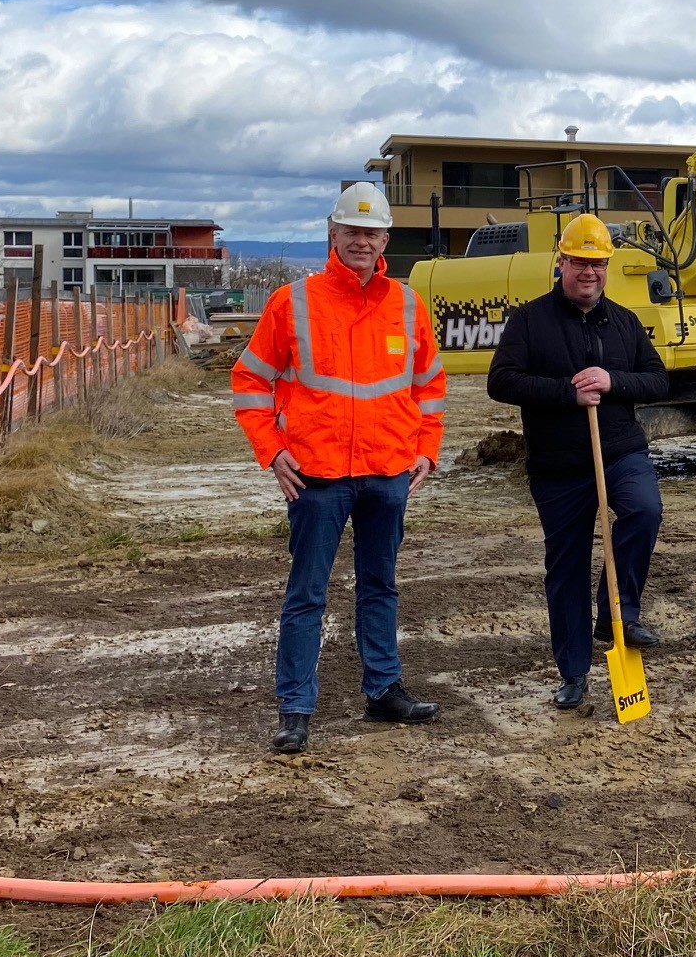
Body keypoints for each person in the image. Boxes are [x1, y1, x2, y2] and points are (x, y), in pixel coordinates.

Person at [232, 181, 447, 754]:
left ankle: (383, 692)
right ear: (332, 234)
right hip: (317, 475)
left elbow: (429, 384)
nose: (361, 241)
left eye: (371, 232)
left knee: (381, 587)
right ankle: (295, 709)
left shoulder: (406, 303)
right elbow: (250, 379)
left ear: (384, 239)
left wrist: (427, 448)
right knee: (307, 594)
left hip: (387, 473)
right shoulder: (293, 301)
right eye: (351, 231)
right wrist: (272, 451)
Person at [487, 214, 669, 710]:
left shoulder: (625, 321)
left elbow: (657, 380)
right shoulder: (530, 321)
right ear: (561, 263)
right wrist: (567, 392)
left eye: (598, 264)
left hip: (619, 452)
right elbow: (501, 381)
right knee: (566, 568)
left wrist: (612, 382)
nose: (589, 272)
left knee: (644, 511)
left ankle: (619, 613)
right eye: (580, 263)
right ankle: (573, 672)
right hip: (559, 465)